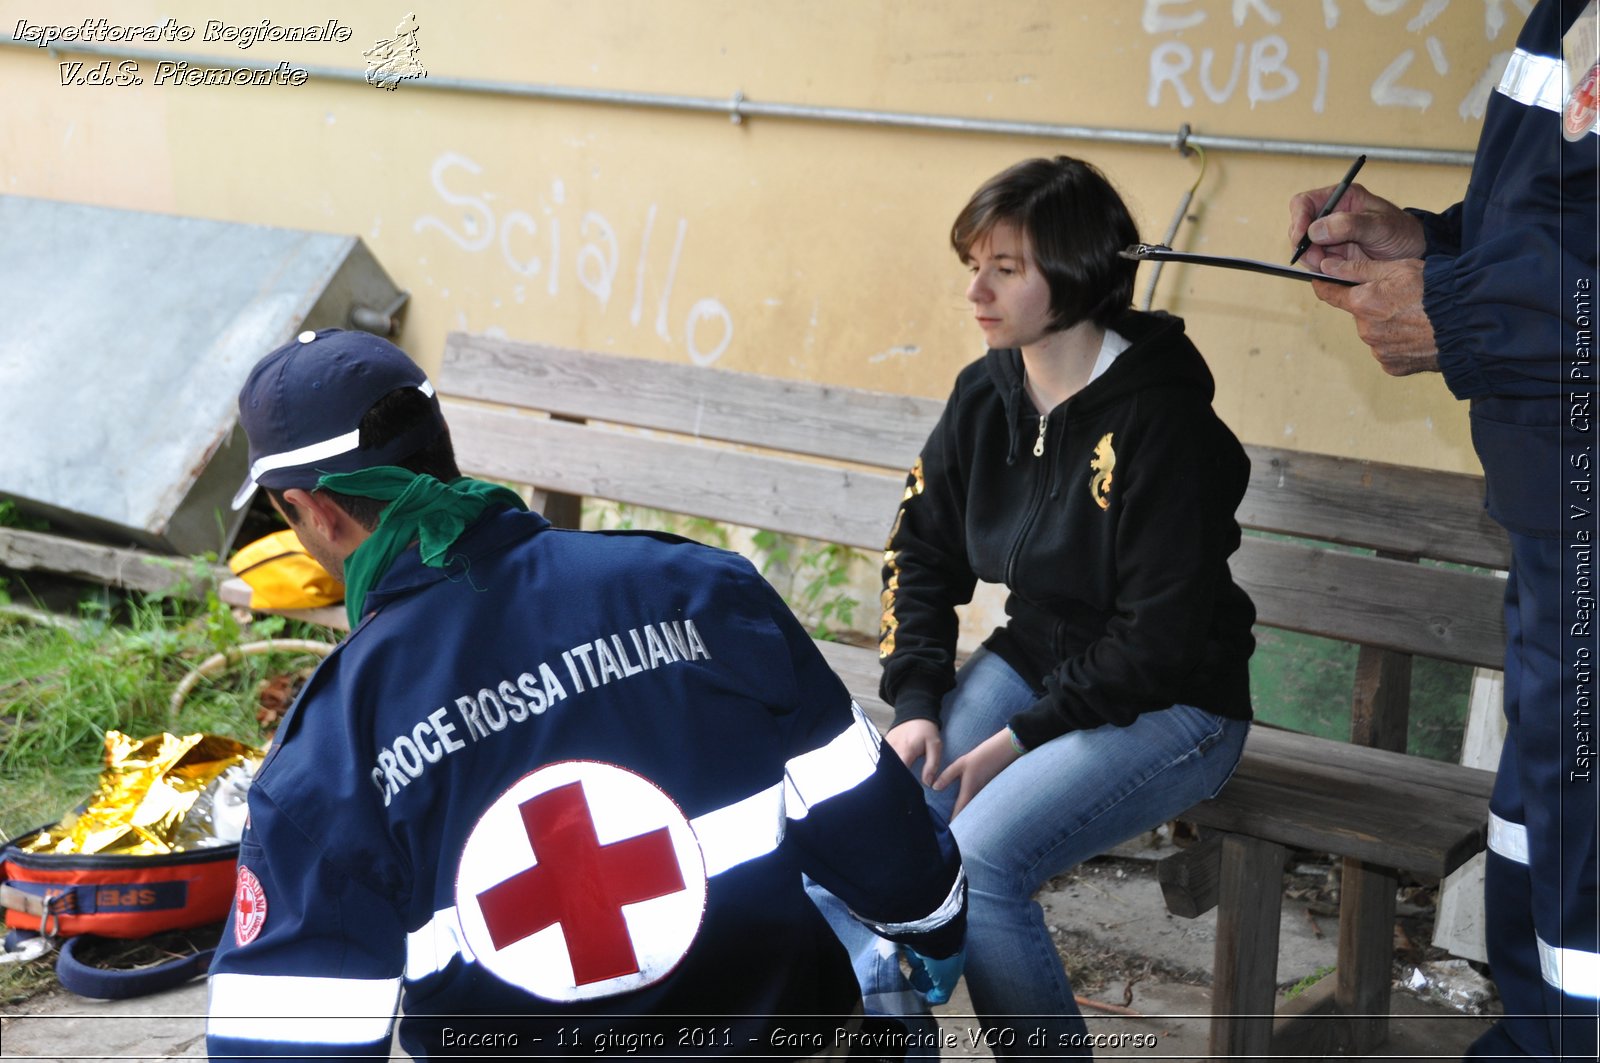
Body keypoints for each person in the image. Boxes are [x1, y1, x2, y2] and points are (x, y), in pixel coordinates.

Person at [204, 328, 967, 1061]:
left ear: (318, 511)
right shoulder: (697, 590)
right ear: (439, 442)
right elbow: (872, 821)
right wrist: (933, 925)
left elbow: (287, 1036)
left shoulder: (332, 749)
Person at [812, 156, 1257, 1058]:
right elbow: (921, 549)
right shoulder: (990, 389)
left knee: (984, 858)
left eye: (1005, 268)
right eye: (973, 263)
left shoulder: (1159, 421)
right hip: (1039, 660)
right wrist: (918, 707)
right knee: (889, 823)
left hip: (1177, 700)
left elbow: (1158, 640)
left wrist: (1018, 740)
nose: (975, 290)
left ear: (1079, 273)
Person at [1288, 2, 1599, 1057]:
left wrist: (1463, 310)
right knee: (1541, 875)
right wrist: (1424, 244)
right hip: (1553, 540)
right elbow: (1565, 226)